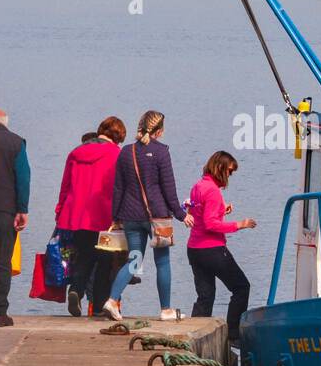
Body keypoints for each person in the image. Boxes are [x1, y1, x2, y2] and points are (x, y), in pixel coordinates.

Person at [103, 110, 191, 322]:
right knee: (163, 262)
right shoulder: (162, 152)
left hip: (130, 216)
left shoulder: (126, 152)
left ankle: (112, 300)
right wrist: (181, 214)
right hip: (157, 216)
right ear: (159, 131)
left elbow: (118, 188)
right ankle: (166, 310)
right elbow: (168, 188)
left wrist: (115, 216)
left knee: (134, 260)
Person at [55, 116, 126, 317]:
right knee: (105, 261)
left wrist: (60, 210)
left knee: (83, 255)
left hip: (76, 215)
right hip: (104, 215)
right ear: (119, 136)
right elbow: (119, 187)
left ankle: (76, 290)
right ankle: (99, 306)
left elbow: (65, 185)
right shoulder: (116, 154)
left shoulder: (76, 152)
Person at [186, 151, 255, 343]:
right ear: (220, 169)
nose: (230, 177)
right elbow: (210, 224)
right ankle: (233, 333)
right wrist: (239, 224)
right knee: (241, 287)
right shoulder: (214, 191)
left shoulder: (198, 186)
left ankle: (194, 334)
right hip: (212, 250)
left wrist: (221, 210)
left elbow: (196, 213)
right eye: (229, 172)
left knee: (205, 296)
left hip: (194, 249)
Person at [0, 106, 30, 327]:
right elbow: (23, 179)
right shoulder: (16, 142)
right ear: (5, 123)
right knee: (2, 262)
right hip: (6, 210)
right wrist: (22, 209)